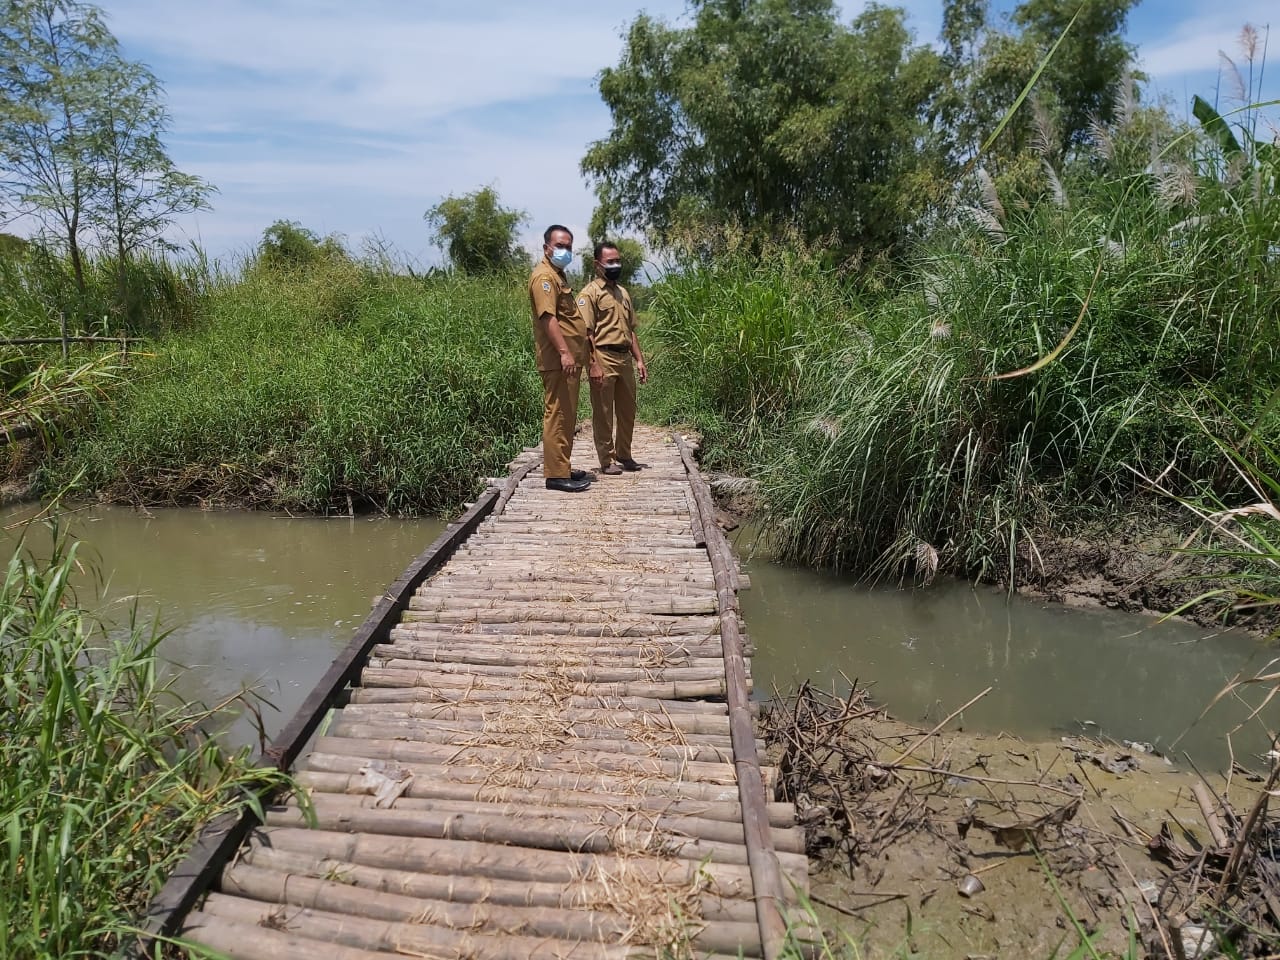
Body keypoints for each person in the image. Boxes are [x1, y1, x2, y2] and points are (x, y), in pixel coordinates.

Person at [528, 224, 601, 492]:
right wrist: (564, 352)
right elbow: (548, 318)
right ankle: (556, 475)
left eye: (569, 246)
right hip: (558, 360)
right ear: (547, 247)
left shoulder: (558, 276)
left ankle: (563, 465)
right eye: (560, 245)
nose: (565, 250)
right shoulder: (544, 278)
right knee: (558, 414)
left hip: (569, 361)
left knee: (567, 415)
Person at [579, 241, 647, 475]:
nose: (615, 265)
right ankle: (606, 460)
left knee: (628, 409)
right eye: (610, 262)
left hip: (624, 357)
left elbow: (631, 330)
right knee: (604, 411)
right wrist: (593, 365)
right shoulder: (590, 294)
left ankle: (624, 455)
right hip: (602, 356)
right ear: (597, 264)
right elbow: (586, 333)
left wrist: (639, 359)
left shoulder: (623, 293)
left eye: (617, 261)